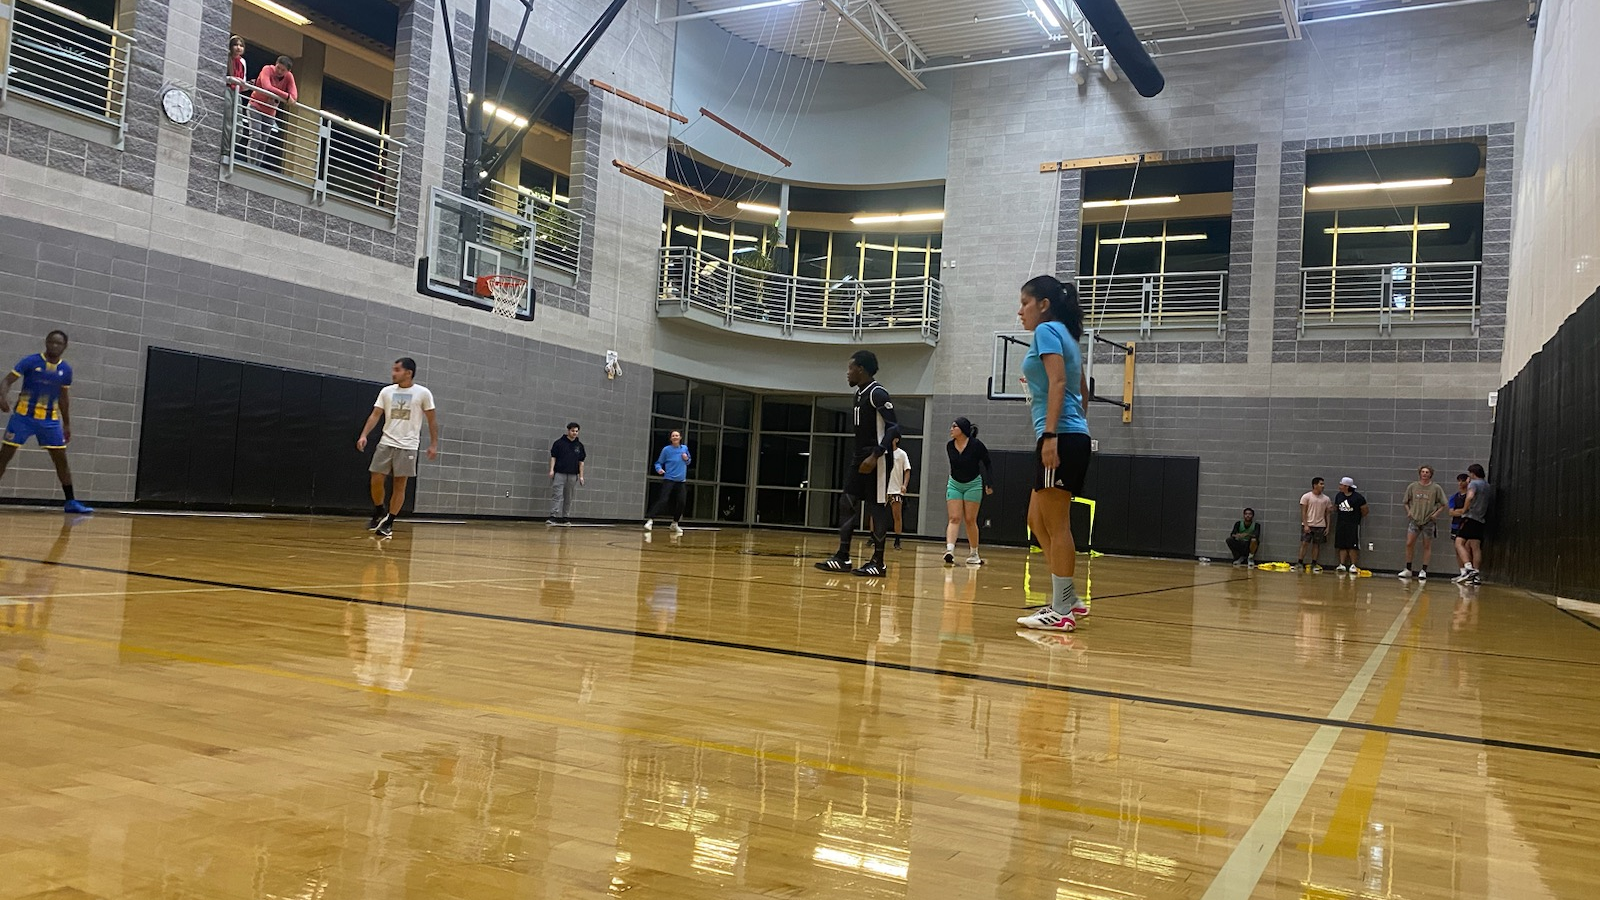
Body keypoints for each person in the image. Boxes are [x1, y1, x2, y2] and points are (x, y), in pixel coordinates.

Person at [1013, 276, 1092, 634]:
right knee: (1036, 519)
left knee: (1057, 524)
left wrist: (1051, 433)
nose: (1020, 311)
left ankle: (1061, 610)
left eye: (1025, 303)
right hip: (1070, 435)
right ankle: (1069, 596)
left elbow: (1060, 383)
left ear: (1043, 304)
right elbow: (1081, 389)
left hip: (1058, 437)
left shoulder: (1046, 332)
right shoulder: (1067, 336)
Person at [815, 350, 900, 578]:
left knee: (876, 507)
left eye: (850, 368)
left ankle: (878, 563)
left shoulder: (878, 393)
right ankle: (843, 557)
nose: (847, 373)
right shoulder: (859, 394)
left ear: (860, 369)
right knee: (847, 502)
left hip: (878, 458)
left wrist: (876, 454)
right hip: (859, 456)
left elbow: (894, 428)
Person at [0, 331, 93, 514]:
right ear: (46, 342)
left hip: (50, 421)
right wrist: (2, 396)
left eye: (59, 343)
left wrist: (66, 423)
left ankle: (71, 502)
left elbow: (64, 398)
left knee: (61, 460)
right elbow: (7, 380)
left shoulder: (65, 370)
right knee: (4, 456)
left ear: (64, 347)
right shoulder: (31, 361)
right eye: (52, 342)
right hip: (23, 417)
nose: (54, 346)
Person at [356, 358, 438, 538]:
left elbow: (432, 420)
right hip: (386, 442)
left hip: (407, 446)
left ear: (408, 373)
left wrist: (433, 444)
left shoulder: (423, 393)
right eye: (393, 369)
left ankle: (389, 522)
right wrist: (364, 435)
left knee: (399, 485)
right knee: (376, 478)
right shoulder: (386, 392)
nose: (393, 373)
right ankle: (379, 511)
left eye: (397, 370)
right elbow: (375, 415)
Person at [944, 416, 993, 566]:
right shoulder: (950, 446)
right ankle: (950, 551)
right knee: (954, 518)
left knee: (970, 520)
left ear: (963, 430)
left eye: (954, 427)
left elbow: (988, 463)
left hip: (973, 484)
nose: (951, 429)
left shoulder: (976, 445)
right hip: (954, 484)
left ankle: (974, 553)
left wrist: (989, 483)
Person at [1399, 465, 1449, 580]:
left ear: (1430, 474)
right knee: (1409, 543)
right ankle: (1408, 569)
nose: (1425, 474)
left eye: (1427, 472)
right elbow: (1406, 501)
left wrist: (1436, 514)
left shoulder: (1436, 488)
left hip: (1428, 520)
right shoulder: (1413, 486)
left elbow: (1443, 504)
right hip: (1415, 519)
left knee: (1426, 545)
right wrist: (1409, 512)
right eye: (1423, 472)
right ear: (1420, 473)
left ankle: (1424, 570)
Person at [247, 55, 297, 169]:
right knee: (256, 136)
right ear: (275, 64)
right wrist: (286, 96)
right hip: (256, 106)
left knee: (263, 141)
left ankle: (257, 167)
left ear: (288, 71)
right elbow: (266, 86)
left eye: (283, 70)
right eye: (278, 67)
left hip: (270, 113)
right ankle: (250, 165)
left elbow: (294, 96)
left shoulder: (289, 77)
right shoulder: (267, 69)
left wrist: (289, 96)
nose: (279, 71)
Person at [644, 430, 691, 535]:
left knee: (682, 502)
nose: (675, 437)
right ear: (671, 438)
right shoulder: (666, 450)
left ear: (680, 438)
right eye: (673, 436)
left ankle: (675, 523)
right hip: (669, 479)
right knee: (663, 500)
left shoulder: (684, 448)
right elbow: (658, 463)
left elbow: (688, 461)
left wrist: (686, 458)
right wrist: (659, 469)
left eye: (677, 435)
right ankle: (650, 520)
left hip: (681, 481)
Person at [1452, 463, 1491, 585]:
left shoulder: (1473, 484)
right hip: (1480, 518)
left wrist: (1464, 509)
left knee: (1459, 543)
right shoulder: (1487, 486)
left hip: (1470, 517)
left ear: (1472, 473)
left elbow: (1470, 496)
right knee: (1476, 546)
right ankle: (1476, 574)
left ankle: (1468, 568)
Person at [547, 422, 586, 524]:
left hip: (573, 475)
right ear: (568, 431)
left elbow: (581, 462)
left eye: (576, 431)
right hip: (560, 473)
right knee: (557, 495)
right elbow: (553, 457)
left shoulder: (579, 446)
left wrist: (581, 476)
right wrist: (551, 470)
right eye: (573, 431)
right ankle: (553, 516)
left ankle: (566, 517)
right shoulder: (559, 443)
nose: (575, 433)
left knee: (569, 497)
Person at [1331, 476, 1369, 574]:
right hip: (1341, 524)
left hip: (1353, 525)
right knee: (1342, 545)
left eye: (1341, 485)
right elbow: (1336, 507)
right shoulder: (1339, 496)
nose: (1339, 487)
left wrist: (1356, 518)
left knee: (1353, 545)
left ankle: (1353, 565)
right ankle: (1342, 564)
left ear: (1347, 486)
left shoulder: (1358, 498)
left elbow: (1365, 510)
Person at [1296, 477, 1332, 573]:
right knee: (1304, 543)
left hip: (1320, 525)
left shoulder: (1326, 499)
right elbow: (1303, 512)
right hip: (1308, 524)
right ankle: (1300, 562)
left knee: (1316, 545)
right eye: (1321, 484)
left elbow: (1328, 514)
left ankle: (1314, 563)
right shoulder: (1306, 497)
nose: (1323, 486)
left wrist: (1328, 526)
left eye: (1323, 484)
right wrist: (1306, 525)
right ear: (1315, 485)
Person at [886, 435, 911, 550]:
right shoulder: (883, 453)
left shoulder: (902, 454)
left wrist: (904, 485)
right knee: (875, 515)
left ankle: (897, 540)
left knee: (897, 515)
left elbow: (907, 470)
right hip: (883, 489)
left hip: (895, 489)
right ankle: (873, 537)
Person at [225, 36, 250, 150]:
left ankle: (232, 148)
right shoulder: (226, 57)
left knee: (238, 123)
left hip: (237, 92)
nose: (238, 48)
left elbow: (243, 82)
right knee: (228, 119)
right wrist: (232, 79)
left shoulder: (243, 62)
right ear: (231, 46)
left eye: (241, 45)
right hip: (228, 89)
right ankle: (226, 149)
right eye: (236, 45)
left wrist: (249, 84)